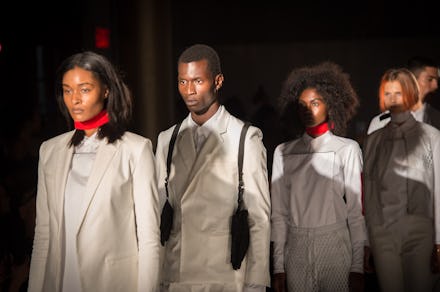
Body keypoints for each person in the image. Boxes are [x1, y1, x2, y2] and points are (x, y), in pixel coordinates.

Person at [27, 51, 161, 292]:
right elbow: (43, 236)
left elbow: (149, 239)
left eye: (84, 89)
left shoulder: (136, 150)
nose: (74, 99)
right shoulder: (50, 151)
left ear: (106, 90)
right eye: (67, 90)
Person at [155, 44, 271, 291]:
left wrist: (256, 284)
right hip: (177, 273)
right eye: (182, 82)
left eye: (197, 81)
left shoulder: (245, 138)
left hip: (226, 275)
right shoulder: (167, 139)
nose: (189, 91)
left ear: (218, 81)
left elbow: (259, 218)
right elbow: (159, 211)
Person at [271, 62, 367, 292]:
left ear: (330, 105)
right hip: (296, 249)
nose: (308, 109)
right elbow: (279, 213)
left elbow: (356, 212)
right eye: (302, 104)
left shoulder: (348, 149)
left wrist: (357, 267)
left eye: (315, 102)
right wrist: (278, 267)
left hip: (335, 245)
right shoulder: (283, 152)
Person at [363, 68, 440, 292]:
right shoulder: (373, 140)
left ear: (410, 93)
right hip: (382, 231)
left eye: (398, 93)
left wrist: (439, 240)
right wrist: (366, 240)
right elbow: (368, 190)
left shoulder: (431, 136)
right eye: (388, 93)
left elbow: (438, 189)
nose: (393, 99)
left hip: (420, 230)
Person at [367, 56, 440, 134]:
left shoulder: (436, 119)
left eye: (437, 80)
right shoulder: (380, 121)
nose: (435, 85)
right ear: (412, 80)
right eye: (430, 79)